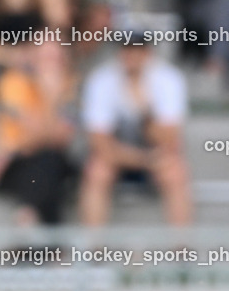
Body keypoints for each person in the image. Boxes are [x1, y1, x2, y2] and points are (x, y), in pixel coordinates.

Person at [79, 40, 193, 226]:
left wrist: (144, 109)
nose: (132, 56)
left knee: (175, 172)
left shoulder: (169, 79)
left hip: (153, 156)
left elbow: (170, 139)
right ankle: (94, 250)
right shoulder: (101, 80)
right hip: (121, 158)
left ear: (148, 53)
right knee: (97, 172)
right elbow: (100, 144)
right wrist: (145, 160)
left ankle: (181, 250)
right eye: (127, 50)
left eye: (138, 50)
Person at [0, 40, 77, 225]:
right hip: (17, 165)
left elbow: (60, 138)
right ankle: (50, 244)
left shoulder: (72, 85)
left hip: (32, 159)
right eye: (45, 57)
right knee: (45, 164)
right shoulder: (14, 82)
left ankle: (27, 215)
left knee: (48, 160)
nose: (50, 65)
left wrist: (49, 94)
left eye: (55, 58)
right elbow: (36, 132)